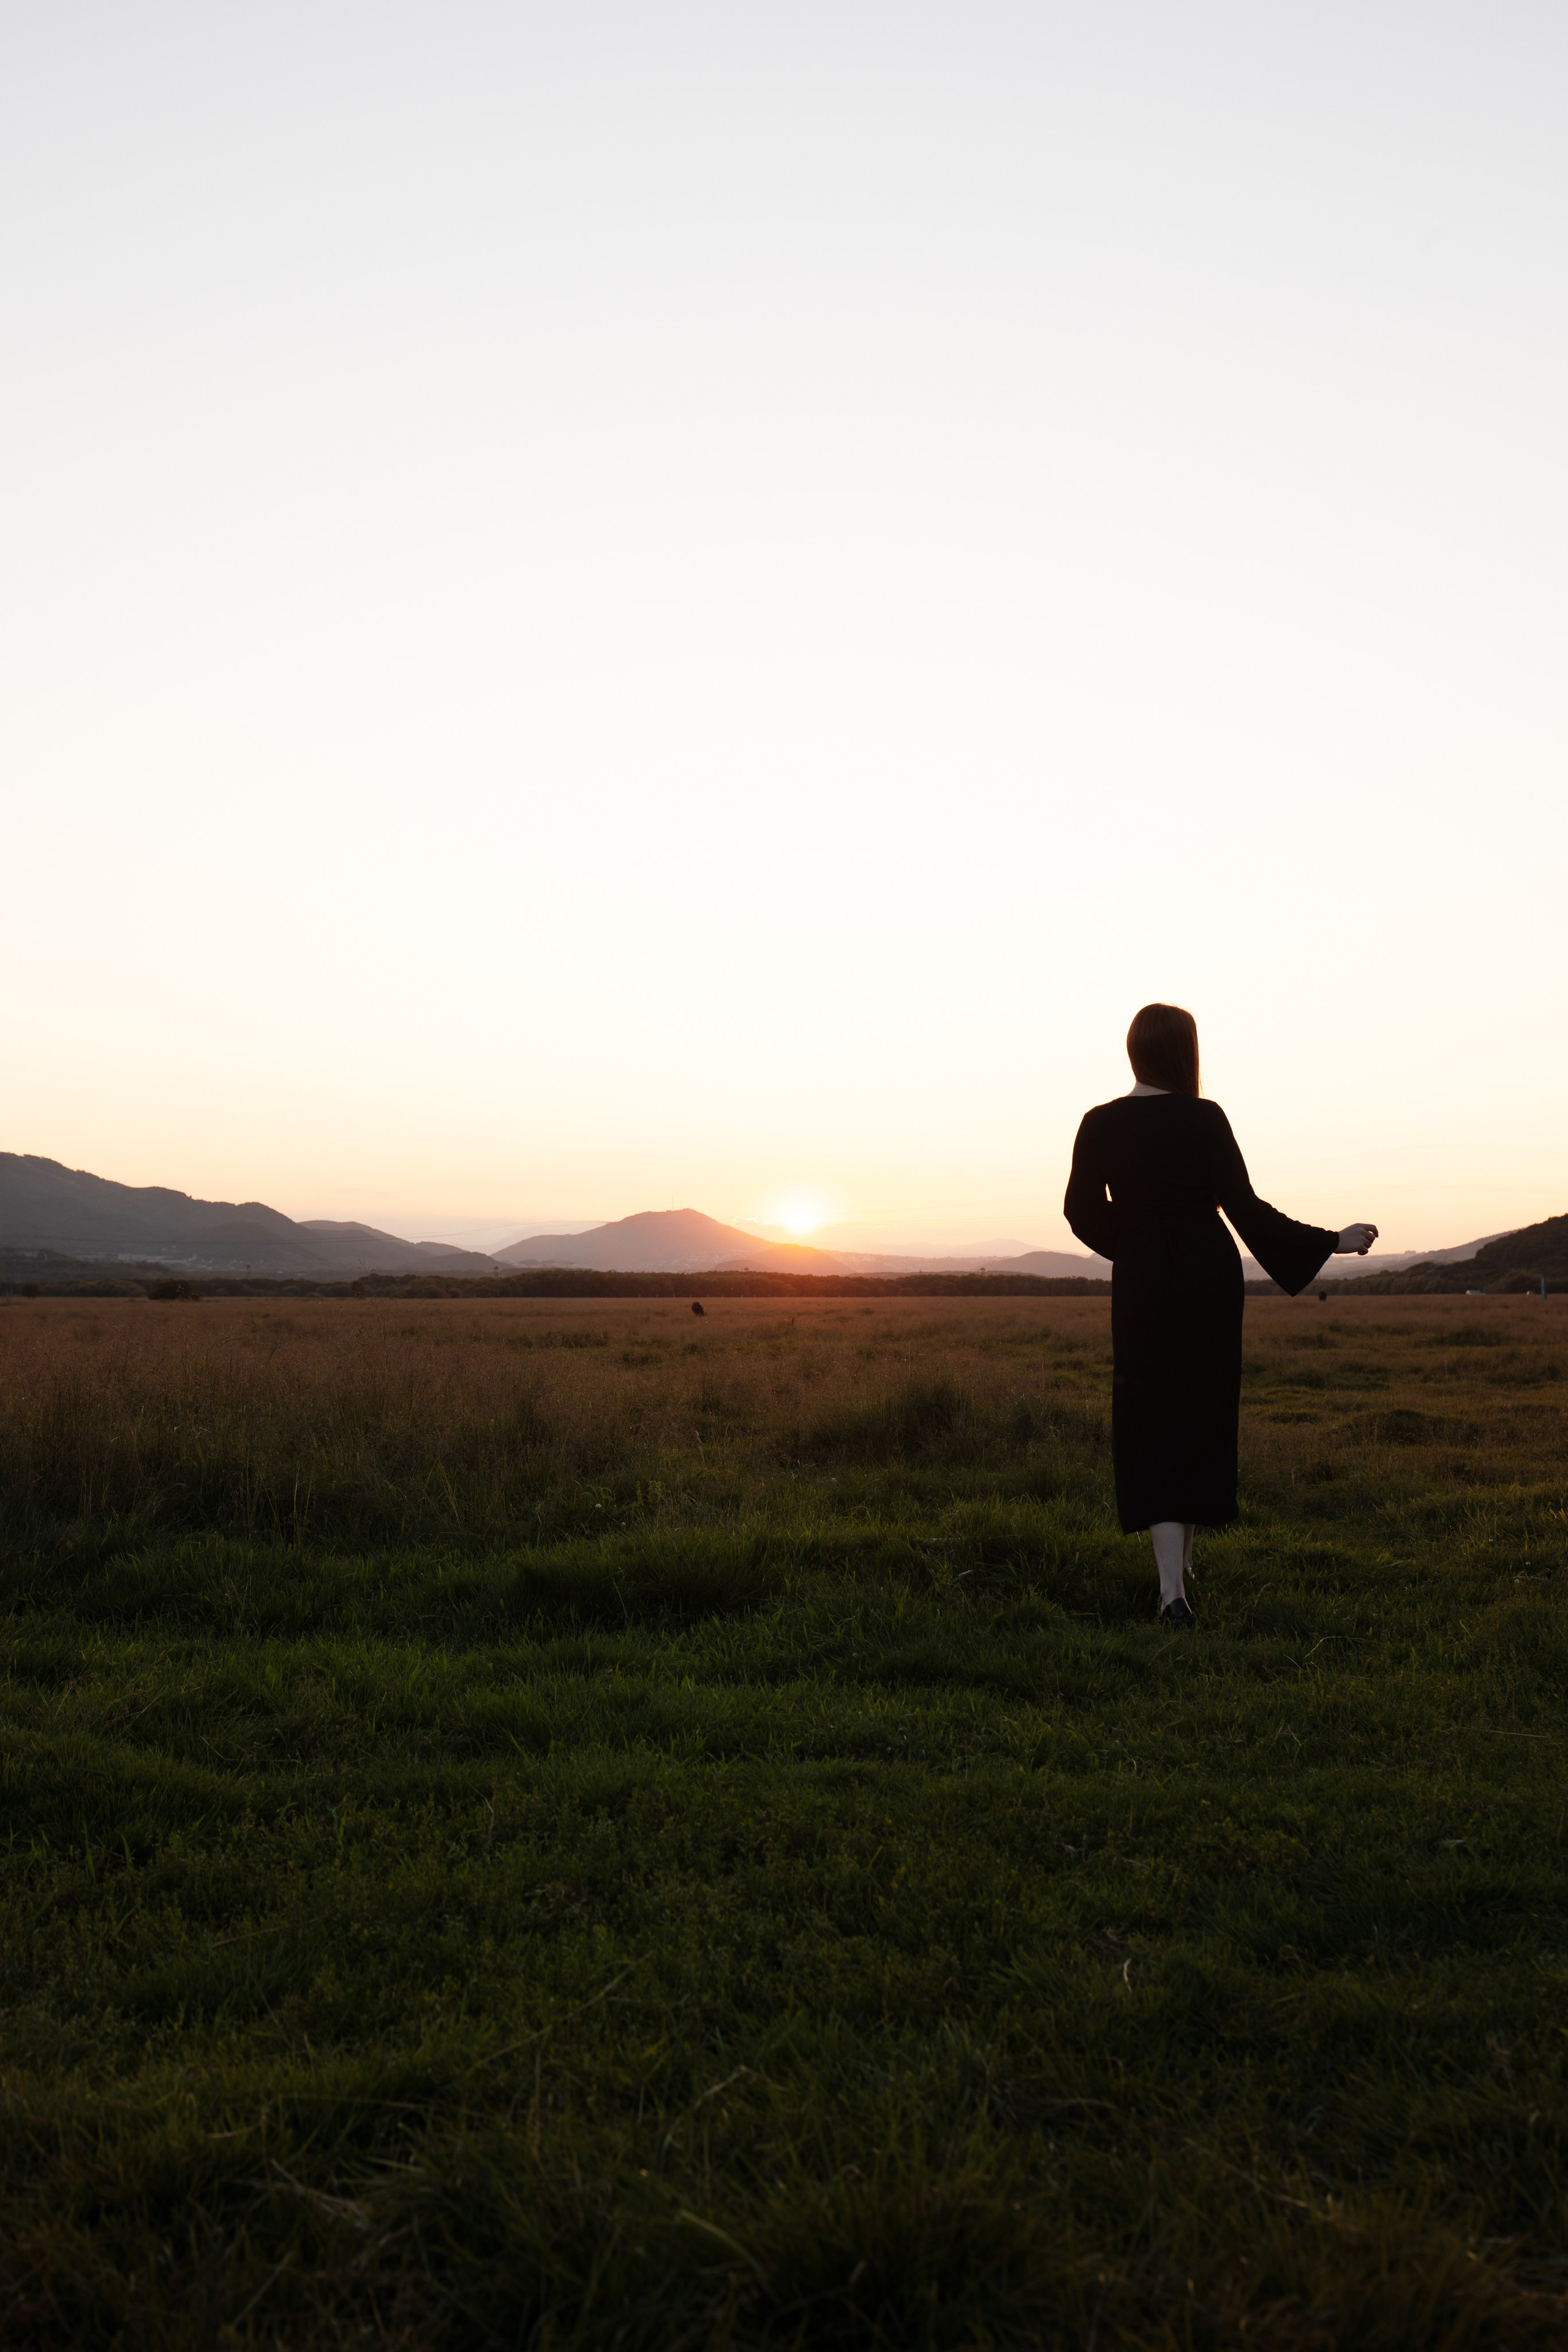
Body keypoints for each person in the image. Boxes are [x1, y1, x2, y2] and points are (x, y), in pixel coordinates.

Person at [1064, 1004, 1376, 1629]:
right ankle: (1178, 1580)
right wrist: (1329, 1241)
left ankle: (1170, 1588)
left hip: (1144, 1282)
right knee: (1199, 1414)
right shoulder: (1203, 1118)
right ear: (1186, 1052)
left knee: (1150, 1417)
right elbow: (1245, 1208)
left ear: (1133, 1052)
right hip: (1208, 1275)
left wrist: (1134, 1246)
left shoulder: (1098, 1123)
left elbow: (1079, 1211)